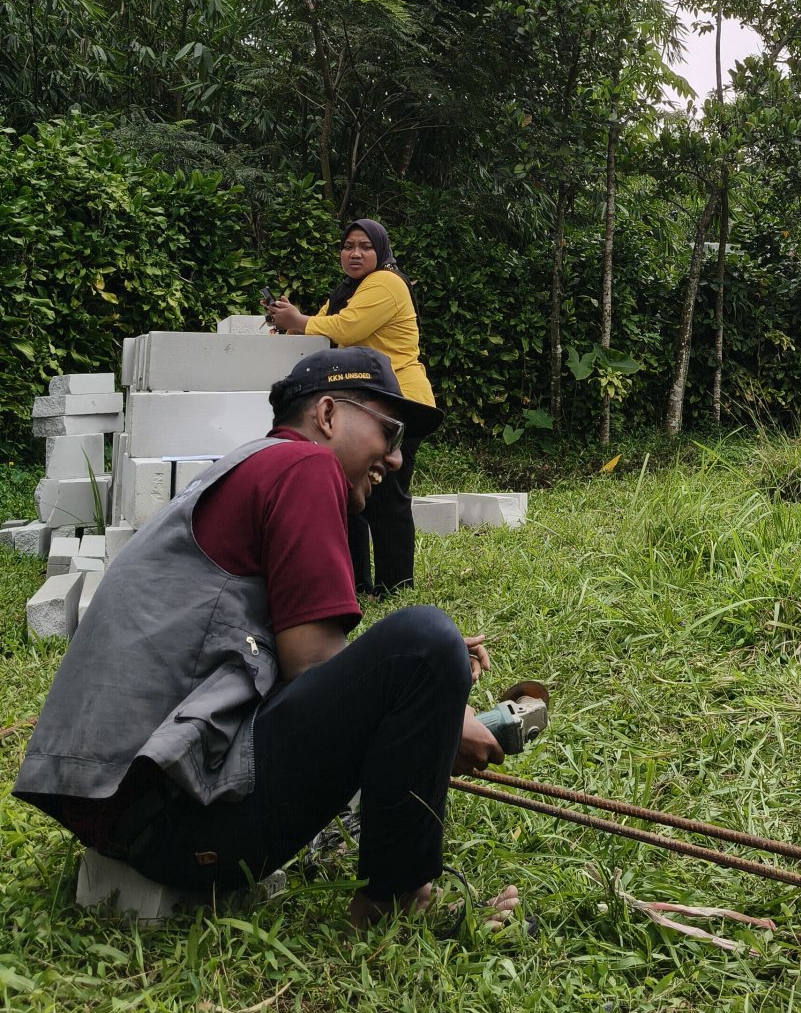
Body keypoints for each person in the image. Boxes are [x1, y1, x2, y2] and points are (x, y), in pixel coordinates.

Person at [15, 350, 517, 931]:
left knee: (427, 652)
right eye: (391, 430)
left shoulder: (242, 468)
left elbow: (303, 671)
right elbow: (312, 665)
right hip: (180, 824)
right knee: (425, 639)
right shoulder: (304, 468)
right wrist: (439, 707)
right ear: (328, 414)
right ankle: (398, 905)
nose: (397, 457)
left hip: (131, 818)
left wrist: (422, 692)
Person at [266, 219, 433, 597]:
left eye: (364, 246)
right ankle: (356, 583)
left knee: (387, 497)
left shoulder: (387, 283)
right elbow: (323, 327)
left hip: (398, 402)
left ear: (381, 250)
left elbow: (346, 328)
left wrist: (300, 321)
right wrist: (289, 320)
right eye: (348, 246)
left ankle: (396, 587)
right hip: (361, 405)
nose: (354, 253)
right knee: (348, 494)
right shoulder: (349, 290)